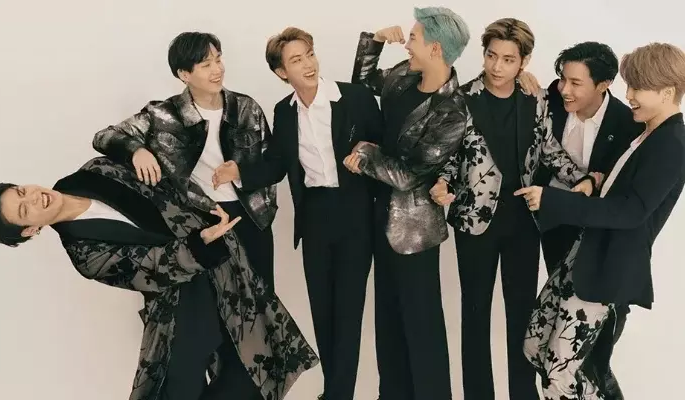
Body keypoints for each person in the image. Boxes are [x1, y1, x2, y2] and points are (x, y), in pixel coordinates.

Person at [0, 157, 319, 400]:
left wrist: (137, 151)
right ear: (30, 230)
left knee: (252, 375)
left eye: (21, 191)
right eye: (25, 210)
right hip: (181, 306)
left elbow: (165, 179)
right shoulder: (85, 254)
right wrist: (200, 242)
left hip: (226, 272)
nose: (33, 197)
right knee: (181, 388)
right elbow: (152, 267)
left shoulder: (93, 172)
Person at [212, 27, 382, 400]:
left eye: (309, 54)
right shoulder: (284, 112)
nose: (308, 64)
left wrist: (367, 154)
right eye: (296, 60)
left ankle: (338, 395)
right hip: (315, 216)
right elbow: (277, 163)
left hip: (355, 213)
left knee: (347, 311)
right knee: (322, 310)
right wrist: (239, 171)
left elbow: (383, 144)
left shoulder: (354, 97)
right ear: (281, 72)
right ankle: (333, 391)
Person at [428, 18, 594, 400]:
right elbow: (450, 155)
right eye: (491, 56)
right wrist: (442, 183)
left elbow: (550, 151)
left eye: (508, 59)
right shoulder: (460, 98)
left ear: (524, 61)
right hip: (475, 222)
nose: (497, 66)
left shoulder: (534, 99)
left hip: (522, 221)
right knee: (475, 315)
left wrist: (587, 179)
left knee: (522, 318)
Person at [516, 42, 685, 400]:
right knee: (534, 346)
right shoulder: (647, 133)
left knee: (560, 376)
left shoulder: (672, 144)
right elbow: (619, 185)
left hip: (607, 271)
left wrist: (555, 200)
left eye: (638, 88)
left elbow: (631, 211)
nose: (629, 95)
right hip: (583, 255)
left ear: (667, 92)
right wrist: (594, 182)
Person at [345, 7, 470, 400]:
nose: (407, 44)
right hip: (379, 218)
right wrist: (374, 42)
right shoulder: (403, 76)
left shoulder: (452, 111)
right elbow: (364, 86)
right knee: (388, 325)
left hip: (414, 231)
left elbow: (408, 176)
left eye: (413, 38)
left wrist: (365, 154)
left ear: (436, 49)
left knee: (422, 327)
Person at [92, 31, 277, 290]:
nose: (217, 70)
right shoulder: (163, 115)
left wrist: (240, 172)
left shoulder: (246, 109)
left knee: (263, 298)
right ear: (184, 74)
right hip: (201, 219)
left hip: (251, 216)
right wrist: (137, 150)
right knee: (216, 302)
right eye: (206, 64)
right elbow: (104, 137)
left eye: (218, 59)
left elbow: (273, 165)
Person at [531, 42, 644, 274]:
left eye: (575, 83)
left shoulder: (626, 123)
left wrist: (593, 182)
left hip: (592, 223)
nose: (565, 90)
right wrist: (522, 77)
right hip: (548, 215)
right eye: (563, 79)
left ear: (603, 85)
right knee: (553, 283)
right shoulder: (552, 99)